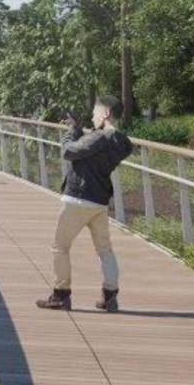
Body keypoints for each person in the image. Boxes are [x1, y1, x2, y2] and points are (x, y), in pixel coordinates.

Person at [37, 96, 134, 312]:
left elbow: (69, 151)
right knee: (105, 249)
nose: (92, 117)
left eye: (95, 113)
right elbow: (90, 151)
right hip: (99, 202)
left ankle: (61, 295)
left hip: (78, 199)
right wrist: (81, 131)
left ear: (106, 113)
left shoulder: (99, 137)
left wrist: (72, 130)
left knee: (60, 247)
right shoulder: (123, 143)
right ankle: (110, 296)